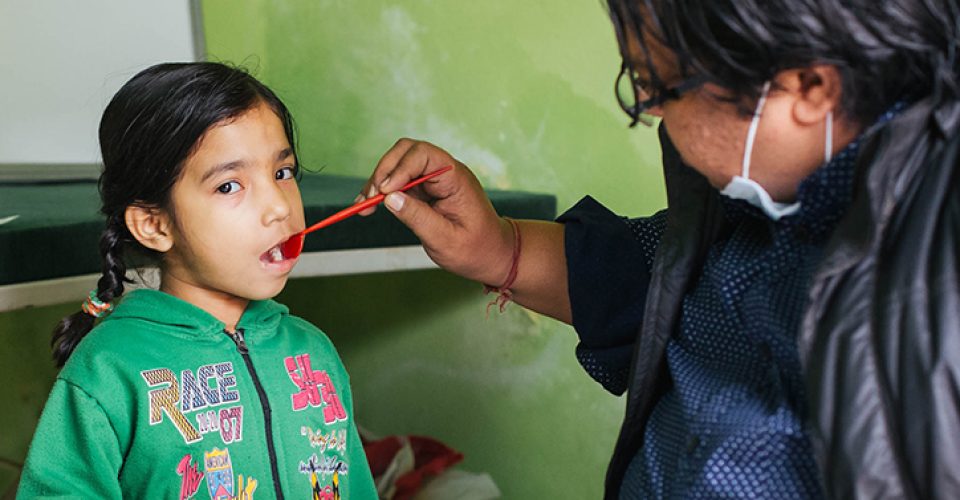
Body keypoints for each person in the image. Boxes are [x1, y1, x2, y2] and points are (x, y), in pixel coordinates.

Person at [356, 1, 960, 498]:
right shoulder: (753, 209)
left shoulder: (933, 282)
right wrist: (497, 246)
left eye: (657, 89)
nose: (655, 117)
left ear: (805, 88)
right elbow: (658, 289)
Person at [18, 62, 377, 499]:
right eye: (229, 186)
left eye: (282, 173)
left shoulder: (313, 352)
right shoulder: (109, 369)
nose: (279, 208)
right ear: (154, 224)